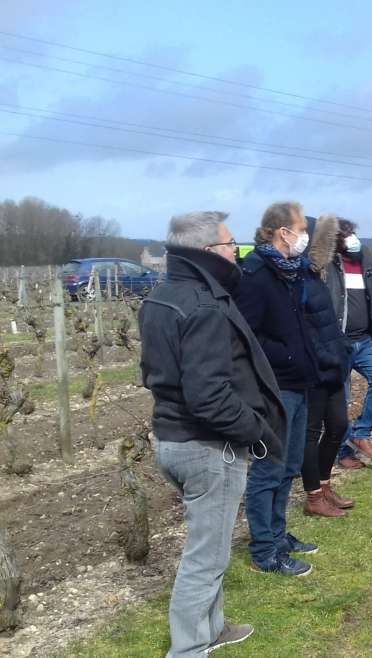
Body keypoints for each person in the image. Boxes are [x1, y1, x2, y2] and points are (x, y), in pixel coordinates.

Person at [139, 211, 287, 657]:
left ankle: (212, 627)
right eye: (230, 244)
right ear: (207, 252)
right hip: (207, 447)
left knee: (214, 545)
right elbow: (207, 396)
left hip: (172, 437)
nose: (236, 251)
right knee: (206, 557)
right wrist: (255, 430)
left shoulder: (164, 295)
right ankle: (188, 649)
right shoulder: (202, 305)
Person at [237, 201, 319, 576]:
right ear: (282, 232)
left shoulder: (291, 272)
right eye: (301, 228)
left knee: (287, 468)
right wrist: (286, 356)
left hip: (298, 383)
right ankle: (263, 550)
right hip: (274, 387)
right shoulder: (255, 274)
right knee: (268, 469)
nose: (305, 235)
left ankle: (278, 533)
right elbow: (247, 335)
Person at [300, 214, 355, 517]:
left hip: (333, 363)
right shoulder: (298, 279)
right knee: (311, 431)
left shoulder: (317, 275)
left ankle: (324, 483)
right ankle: (312, 496)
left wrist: (341, 351)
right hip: (315, 368)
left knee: (338, 426)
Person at [328, 219, 372, 470]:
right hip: (338, 344)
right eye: (347, 235)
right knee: (340, 401)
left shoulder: (366, 260)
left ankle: (361, 432)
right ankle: (343, 453)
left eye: (353, 233)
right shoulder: (330, 266)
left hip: (365, 341)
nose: (353, 238)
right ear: (336, 240)